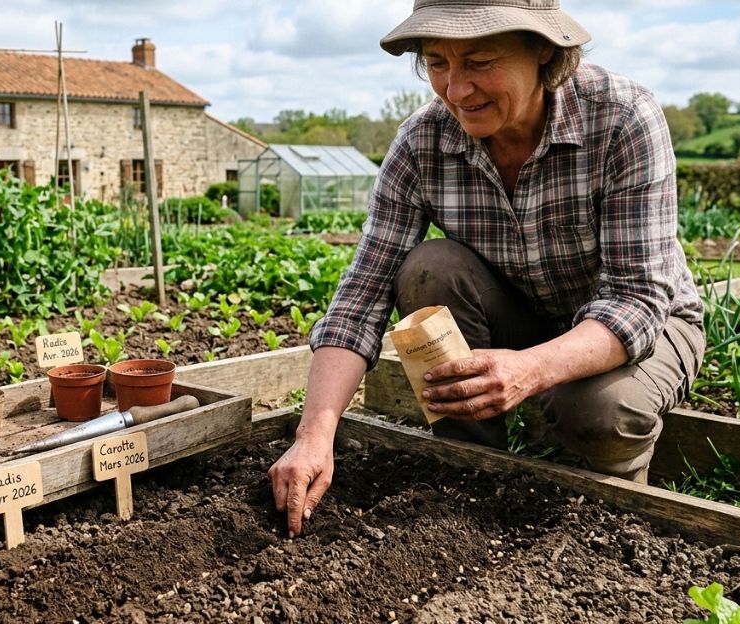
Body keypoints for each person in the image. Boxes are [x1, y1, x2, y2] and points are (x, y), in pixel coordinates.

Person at [268, 0, 705, 537]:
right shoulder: (422, 141)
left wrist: (530, 371)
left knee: (599, 412)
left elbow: (637, 301)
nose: (456, 90)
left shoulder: (621, 118)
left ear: (543, 50)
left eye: (479, 62)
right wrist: (314, 433)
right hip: (522, 313)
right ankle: (468, 479)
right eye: (437, 63)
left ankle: (615, 520)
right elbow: (363, 294)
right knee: (429, 268)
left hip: (644, 324)